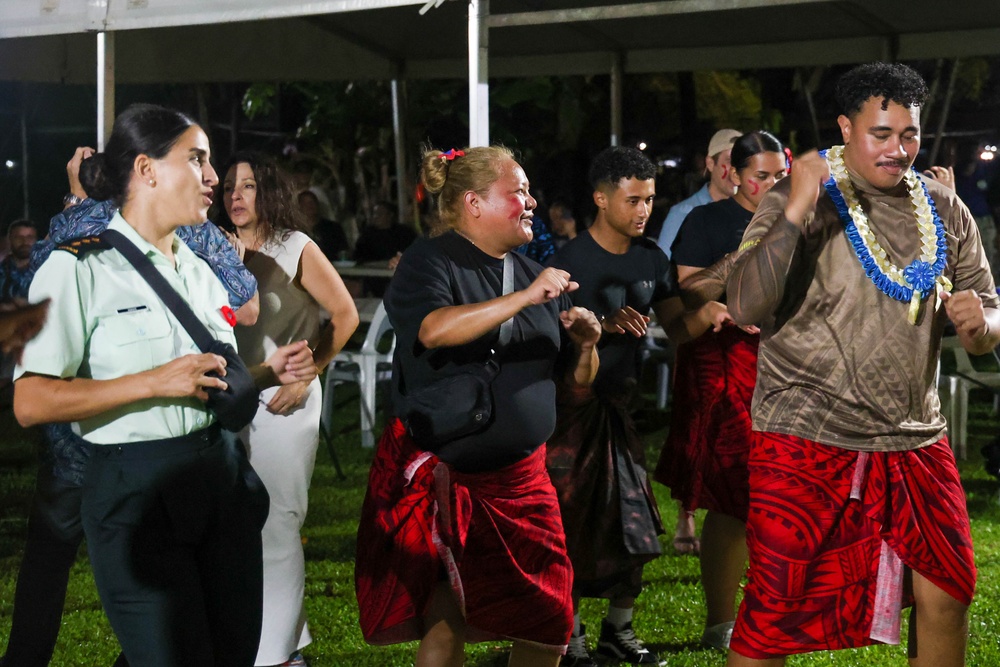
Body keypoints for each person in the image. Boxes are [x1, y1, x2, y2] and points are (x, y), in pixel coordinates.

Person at [11, 103, 318, 667]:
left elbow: (201, 379)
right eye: (196, 159)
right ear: (147, 170)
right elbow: (30, 401)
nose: (211, 179)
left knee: (230, 652)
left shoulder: (199, 271)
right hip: (134, 491)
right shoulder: (79, 267)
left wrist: (267, 372)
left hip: (218, 480)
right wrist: (151, 382)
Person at [724, 62, 999, 666]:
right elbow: (744, 303)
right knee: (773, 616)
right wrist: (796, 205)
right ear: (845, 128)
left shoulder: (945, 208)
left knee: (950, 592)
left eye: (909, 135)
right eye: (881, 134)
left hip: (915, 437)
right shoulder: (794, 198)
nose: (899, 150)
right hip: (804, 435)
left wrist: (982, 327)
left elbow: (989, 318)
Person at [355, 145, 602, 666]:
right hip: (451, 476)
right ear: (473, 202)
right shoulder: (431, 260)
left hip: (524, 482)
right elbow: (434, 329)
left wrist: (586, 344)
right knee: (447, 617)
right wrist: (524, 298)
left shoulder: (538, 275)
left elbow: (576, 384)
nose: (530, 201)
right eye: (517, 192)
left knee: (550, 618)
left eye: (529, 191)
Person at [546, 146, 731, 666]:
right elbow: (547, 341)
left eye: (649, 199)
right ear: (601, 199)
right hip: (571, 409)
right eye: (633, 200)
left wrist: (712, 313)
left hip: (622, 409)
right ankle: (573, 636)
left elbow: (676, 327)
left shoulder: (652, 257)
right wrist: (597, 329)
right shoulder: (568, 262)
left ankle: (618, 630)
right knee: (573, 522)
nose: (644, 209)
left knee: (638, 524)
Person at [219, 151, 360, 667]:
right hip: (230, 395)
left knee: (278, 522)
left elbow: (344, 316)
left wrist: (311, 373)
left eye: (249, 186)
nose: (236, 195)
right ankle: (281, 638)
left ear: (269, 191)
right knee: (235, 525)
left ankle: (278, 656)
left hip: (284, 399)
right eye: (230, 186)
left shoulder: (295, 246)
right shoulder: (212, 247)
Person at [653, 131, 787, 650]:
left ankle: (775, 611)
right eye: (762, 176)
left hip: (786, 365)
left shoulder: (795, 219)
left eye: (780, 175)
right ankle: (720, 620)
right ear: (732, 174)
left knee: (782, 493)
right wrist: (736, 263)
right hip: (725, 364)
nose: (772, 184)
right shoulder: (705, 221)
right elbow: (684, 292)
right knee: (732, 493)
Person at [656, 129, 741, 260]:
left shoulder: (751, 215)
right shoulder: (682, 214)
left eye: (742, 162)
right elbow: (663, 271)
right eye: (730, 161)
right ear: (711, 164)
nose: (737, 170)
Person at [297, 189, 350, 261]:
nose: (310, 206)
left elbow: (343, 252)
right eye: (305, 204)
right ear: (299, 208)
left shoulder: (333, 228)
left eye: (312, 202)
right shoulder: (295, 231)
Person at [0, 219, 38, 306]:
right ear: (9, 240)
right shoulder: (2, 271)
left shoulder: (45, 271)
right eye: (18, 237)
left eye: (30, 237)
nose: (25, 242)